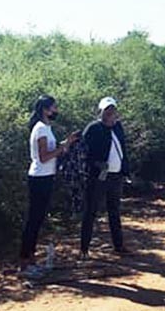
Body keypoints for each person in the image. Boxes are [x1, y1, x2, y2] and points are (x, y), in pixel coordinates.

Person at [20, 95, 79, 277]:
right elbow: (44, 156)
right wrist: (63, 147)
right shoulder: (41, 129)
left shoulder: (46, 128)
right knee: (33, 221)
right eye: (54, 108)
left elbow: (50, 152)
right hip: (39, 178)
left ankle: (30, 261)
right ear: (45, 110)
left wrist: (67, 143)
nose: (56, 111)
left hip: (45, 177)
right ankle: (24, 264)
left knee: (37, 221)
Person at [80, 97, 131, 258]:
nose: (110, 114)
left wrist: (125, 170)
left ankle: (118, 245)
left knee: (114, 211)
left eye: (113, 111)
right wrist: (97, 164)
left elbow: (123, 149)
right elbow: (82, 154)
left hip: (116, 176)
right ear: (100, 112)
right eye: (107, 111)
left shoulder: (118, 127)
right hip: (98, 177)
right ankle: (84, 249)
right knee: (90, 212)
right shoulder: (93, 129)